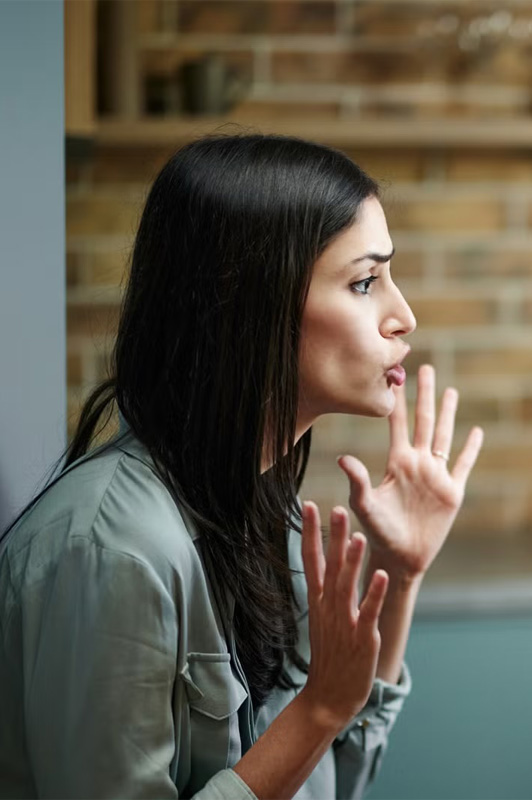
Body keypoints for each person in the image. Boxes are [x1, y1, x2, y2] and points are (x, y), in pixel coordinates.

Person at [0, 134, 483, 799]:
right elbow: (317, 730)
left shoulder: (265, 516)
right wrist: (318, 708)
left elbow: (332, 781)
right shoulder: (113, 551)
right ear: (251, 303)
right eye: (365, 281)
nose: (404, 316)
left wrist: (398, 579)